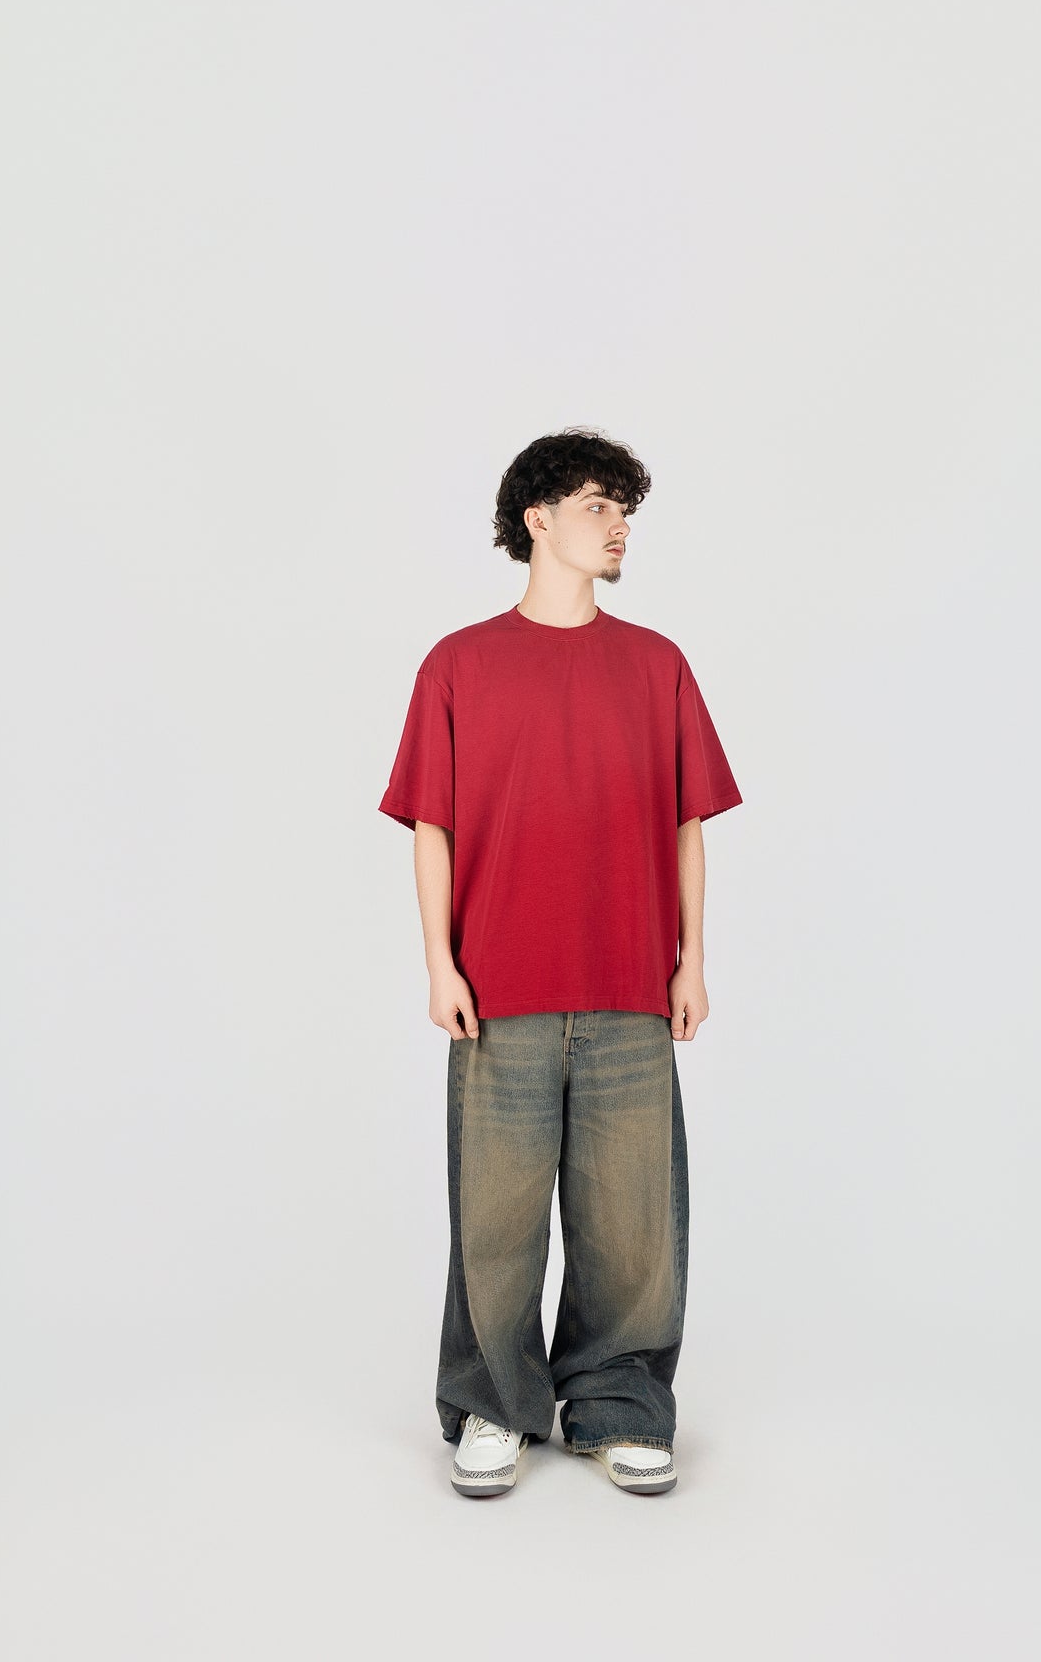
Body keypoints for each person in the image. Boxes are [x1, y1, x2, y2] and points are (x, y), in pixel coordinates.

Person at [378, 428, 743, 1496]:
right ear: (537, 520)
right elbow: (433, 825)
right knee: (494, 1220)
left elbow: (687, 822)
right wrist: (440, 963)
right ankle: (494, 1405)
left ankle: (619, 1405)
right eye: (597, 505)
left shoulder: (657, 665)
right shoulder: (459, 664)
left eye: (625, 509)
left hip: (631, 984)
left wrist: (692, 960)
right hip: (499, 990)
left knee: (632, 1220)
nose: (619, 526)